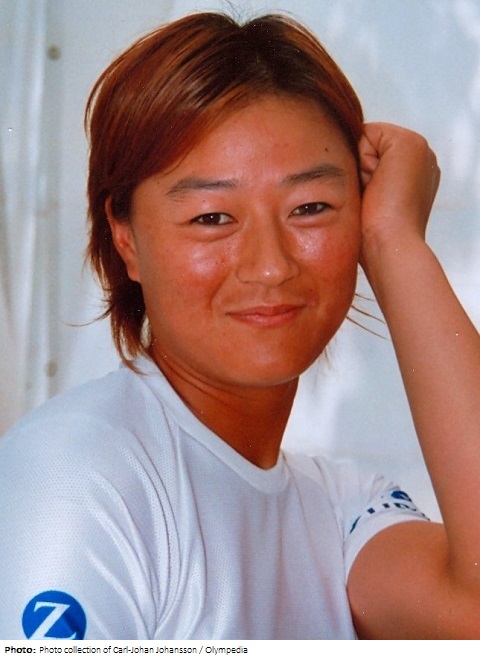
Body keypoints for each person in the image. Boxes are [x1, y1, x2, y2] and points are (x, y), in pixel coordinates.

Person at [0, 11, 479, 641]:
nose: (270, 265)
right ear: (126, 239)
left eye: (310, 208)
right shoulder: (77, 473)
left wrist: (397, 242)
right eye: (211, 218)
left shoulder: (341, 508)